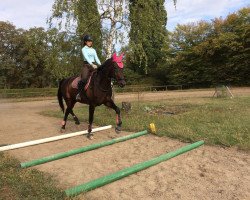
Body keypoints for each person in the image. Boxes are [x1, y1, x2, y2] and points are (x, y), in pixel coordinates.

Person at [76, 35, 102, 101]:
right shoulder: (83, 49)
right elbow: (87, 58)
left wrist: (101, 65)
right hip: (87, 66)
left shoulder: (93, 50)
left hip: (94, 65)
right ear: (85, 42)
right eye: (88, 41)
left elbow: (96, 58)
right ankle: (79, 94)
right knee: (84, 79)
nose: (90, 42)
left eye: (91, 41)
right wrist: (91, 64)